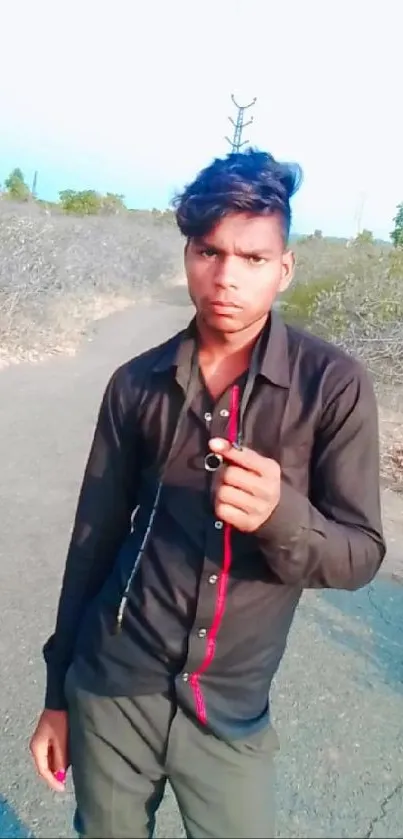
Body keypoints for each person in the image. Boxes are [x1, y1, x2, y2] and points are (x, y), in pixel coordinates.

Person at [30, 149, 385, 838]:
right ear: (188, 253)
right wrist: (57, 695)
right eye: (207, 251)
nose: (225, 277)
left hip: (229, 708)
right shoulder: (136, 384)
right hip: (111, 687)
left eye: (252, 258)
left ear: (284, 269)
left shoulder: (333, 387)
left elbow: (362, 554)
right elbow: (92, 542)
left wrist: (283, 516)